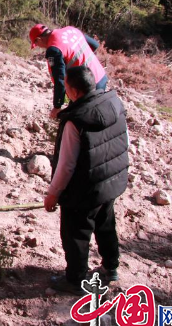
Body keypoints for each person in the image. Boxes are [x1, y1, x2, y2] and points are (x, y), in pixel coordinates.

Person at [45, 66, 129, 295]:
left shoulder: (76, 120)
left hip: (85, 191)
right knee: (106, 224)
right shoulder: (113, 102)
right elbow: (124, 140)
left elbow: (66, 164)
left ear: (73, 91)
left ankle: (75, 279)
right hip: (110, 183)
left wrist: (53, 193)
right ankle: (111, 268)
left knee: (76, 235)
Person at [29, 24, 108, 120]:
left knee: (80, 122)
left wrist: (57, 106)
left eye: (36, 44)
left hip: (87, 87)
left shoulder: (53, 50)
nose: (39, 47)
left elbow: (60, 80)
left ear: (38, 39)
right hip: (100, 77)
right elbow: (95, 45)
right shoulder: (70, 30)